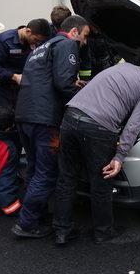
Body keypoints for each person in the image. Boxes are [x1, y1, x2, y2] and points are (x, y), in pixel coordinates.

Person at [52, 63, 140, 246]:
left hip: (70, 117)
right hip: (98, 127)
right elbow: (134, 125)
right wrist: (120, 156)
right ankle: (103, 232)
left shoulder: (122, 67)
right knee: (101, 182)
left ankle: (61, 231)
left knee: (66, 178)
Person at [12, 17, 85, 238]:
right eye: (85, 35)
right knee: (46, 173)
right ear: (74, 32)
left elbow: (46, 78)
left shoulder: (42, 47)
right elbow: (63, 83)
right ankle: (26, 225)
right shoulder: (67, 44)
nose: (85, 41)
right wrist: (84, 97)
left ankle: (36, 216)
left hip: (24, 115)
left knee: (33, 170)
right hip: (45, 119)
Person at [0, 24, 48, 116]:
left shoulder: (31, 42)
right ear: (28, 31)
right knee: (1, 120)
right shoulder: (4, 40)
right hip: (1, 88)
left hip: (21, 90)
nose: (36, 43)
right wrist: (14, 76)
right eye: (35, 40)